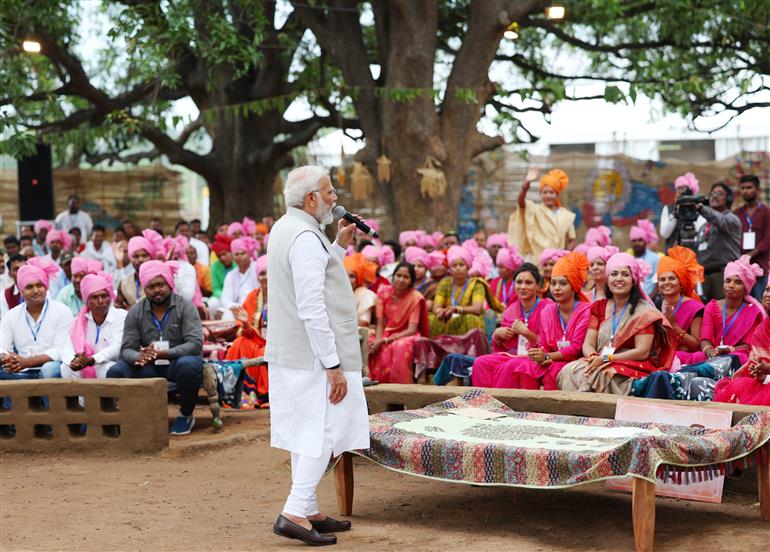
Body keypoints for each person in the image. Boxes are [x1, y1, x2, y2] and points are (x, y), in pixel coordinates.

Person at [265, 165, 369, 546]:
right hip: (311, 355)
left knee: (305, 431)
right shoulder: (305, 237)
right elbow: (312, 305)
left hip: (292, 351)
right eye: (329, 192)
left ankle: (307, 507)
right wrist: (332, 365)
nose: (334, 197)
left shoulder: (287, 228)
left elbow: (316, 276)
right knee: (322, 432)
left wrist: (338, 245)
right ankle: (294, 510)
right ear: (310, 199)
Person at [107, 261, 203, 435]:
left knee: (189, 364)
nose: (156, 290)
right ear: (145, 288)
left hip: (176, 363)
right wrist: (138, 357)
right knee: (117, 371)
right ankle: (132, 416)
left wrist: (165, 353)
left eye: (160, 285)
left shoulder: (186, 307)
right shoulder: (135, 312)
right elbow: (127, 348)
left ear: (169, 283)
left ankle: (186, 414)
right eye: (151, 286)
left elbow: (195, 344)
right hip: (149, 365)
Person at [558, 253, 674, 394]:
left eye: (625, 274)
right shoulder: (599, 307)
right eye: (614, 274)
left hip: (631, 363)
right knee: (568, 371)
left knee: (600, 375)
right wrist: (593, 356)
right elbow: (588, 343)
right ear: (607, 279)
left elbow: (642, 352)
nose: (619, 279)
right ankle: (577, 414)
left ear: (634, 280)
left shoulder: (644, 312)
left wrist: (607, 358)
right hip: (600, 360)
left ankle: (601, 413)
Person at [468, 263, 552, 388]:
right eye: (519, 282)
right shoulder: (511, 310)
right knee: (480, 362)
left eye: (528, 282)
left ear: (537, 285)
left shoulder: (548, 307)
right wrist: (498, 335)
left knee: (512, 364)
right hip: (514, 355)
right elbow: (504, 347)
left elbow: (552, 345)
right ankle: (484, 403)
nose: (523, 287)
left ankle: (503, 403)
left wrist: (526, 333)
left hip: (538, 358)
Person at [0, 257, 73, 380]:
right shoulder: (11, 315)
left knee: (49, 369)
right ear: (21, 291)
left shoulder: (62, 311)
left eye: (39, 285)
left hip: (50, 367)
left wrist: (27, 362)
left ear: (46, 288)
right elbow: (2, 346)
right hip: (21, 368)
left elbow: (60, 350)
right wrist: (6, 358)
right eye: (29, 287)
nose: (35, 291)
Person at [368, 262, 430, 384]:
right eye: (398, 275)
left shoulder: (415, 297)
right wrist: (378, 341)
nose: (401, 280)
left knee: (399, 346)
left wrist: (385, 341)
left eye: (406, 277)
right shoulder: (383, 292)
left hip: (407, 335)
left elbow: (412, 329)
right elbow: (380, 323)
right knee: (369, 342)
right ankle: (371, 384)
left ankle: (401, 388)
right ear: (393, 276)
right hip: (387, 332)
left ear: (411, 280)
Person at [61, 272, 127, 379]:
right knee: (65, 368)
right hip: (86, 363)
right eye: (95, 297)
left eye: (104, 296)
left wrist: (92, 359)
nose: (100, 301)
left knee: (107, 369)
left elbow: (117, 348)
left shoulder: (121, 316)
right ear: (87, 301)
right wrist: (73, 361)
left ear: (110, 298)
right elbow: (66, 346)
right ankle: (79, 396)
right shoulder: (78, 321)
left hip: (108, 363)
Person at [713, 282, 770, 405]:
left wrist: (767, 369)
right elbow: (757, 362)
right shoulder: (763, 328)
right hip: (767, 381)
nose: (768, 295)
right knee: (741, 384)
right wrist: (759, 372)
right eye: (767, 290)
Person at [428, 245, 500, 337]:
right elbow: (436, 306)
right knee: (432, 319)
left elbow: (477, 309)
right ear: (450, 268)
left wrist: (457, 309)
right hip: (448, 316)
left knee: (470, 318)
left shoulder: (476, 284)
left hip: (467, 317)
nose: (458, 268)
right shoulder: (445, 282)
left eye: (461, 265)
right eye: (454, 265)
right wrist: (440, 311)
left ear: (467, 267)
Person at [508, 167, 577, 263]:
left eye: (551, 192)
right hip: (537, 261)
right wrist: (526, 184)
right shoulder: (534, 210)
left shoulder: (566, 215)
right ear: (540, 194)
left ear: (557, 195)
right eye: (545, 192)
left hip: (557, 262)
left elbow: (572, 240)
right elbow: (521, 203)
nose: (548, 195)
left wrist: (563, 255)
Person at [655, 246, 705, 365]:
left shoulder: (694, 307)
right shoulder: (655, 305)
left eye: (671, 278)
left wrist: (674, 326)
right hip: (662, 355)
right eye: (662, 279)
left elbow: (697, 345)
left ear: (681, 283)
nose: (666, 282)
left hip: (685, 359)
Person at [696, 181, 742, 300]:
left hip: (723, 275)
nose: (714, 196)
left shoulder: (732, 219)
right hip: (704, 275)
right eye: (712, 193)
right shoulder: (704, 224)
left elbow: (719, 220)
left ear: (728, 198)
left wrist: (701, 208)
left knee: (723, 313)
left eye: (719, 193)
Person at [733, 175, 770, 300]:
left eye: (749, 187)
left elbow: (768, 238)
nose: (745, 191)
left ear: (757, 189)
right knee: (743, 305)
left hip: (760, 267)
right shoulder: (737, 213)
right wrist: (741, 258)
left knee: (760, 304)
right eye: (742, 188)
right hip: (741, 268)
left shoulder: (766, 212)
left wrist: (751, 254)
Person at [660, 172, 707, 251]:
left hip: (693, 253)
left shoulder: (698, 208)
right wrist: (675, 212)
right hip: (673, 254)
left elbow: (701, 231)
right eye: (678, 188)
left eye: (683, 188)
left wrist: (696, 209)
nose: (680, 191)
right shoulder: (669, 208)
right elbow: (664, 234)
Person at [115, 230, 161, 309]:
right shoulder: (124, 283)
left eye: (144, 255)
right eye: (136, 256)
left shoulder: (160, 281)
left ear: (151, 257)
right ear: (130, 259)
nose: (140, 259)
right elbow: (119, 309)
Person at [220, 236, 259, 318]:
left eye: (243, 253)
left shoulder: (257, 269)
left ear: (249, 254)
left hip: (257, 306)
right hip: (238, 309)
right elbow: (225, 298)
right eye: (236, 254)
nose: (239, 257)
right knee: (226, 315)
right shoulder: (231, 275)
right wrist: (235, 307)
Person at [343, 253, 378, 327]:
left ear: (358, 280)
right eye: (344, 274)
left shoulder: (366, 295)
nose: (347, 279)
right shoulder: (335, 292)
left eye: (352, 276)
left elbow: (364, 323)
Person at [628, 219, 660, 297]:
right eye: (634, 241)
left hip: (651, 300)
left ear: (646, 241)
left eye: (640, 240)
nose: (637, 243)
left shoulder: (655, 258)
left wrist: (649, 301)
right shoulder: (628, 259)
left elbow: (657, 282)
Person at [0, 255, 26, 322]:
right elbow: (5, 321)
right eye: (16, 269)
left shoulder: (42, 290)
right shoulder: (4, 295)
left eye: (24, 268)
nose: (21, 271)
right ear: (10, 274)